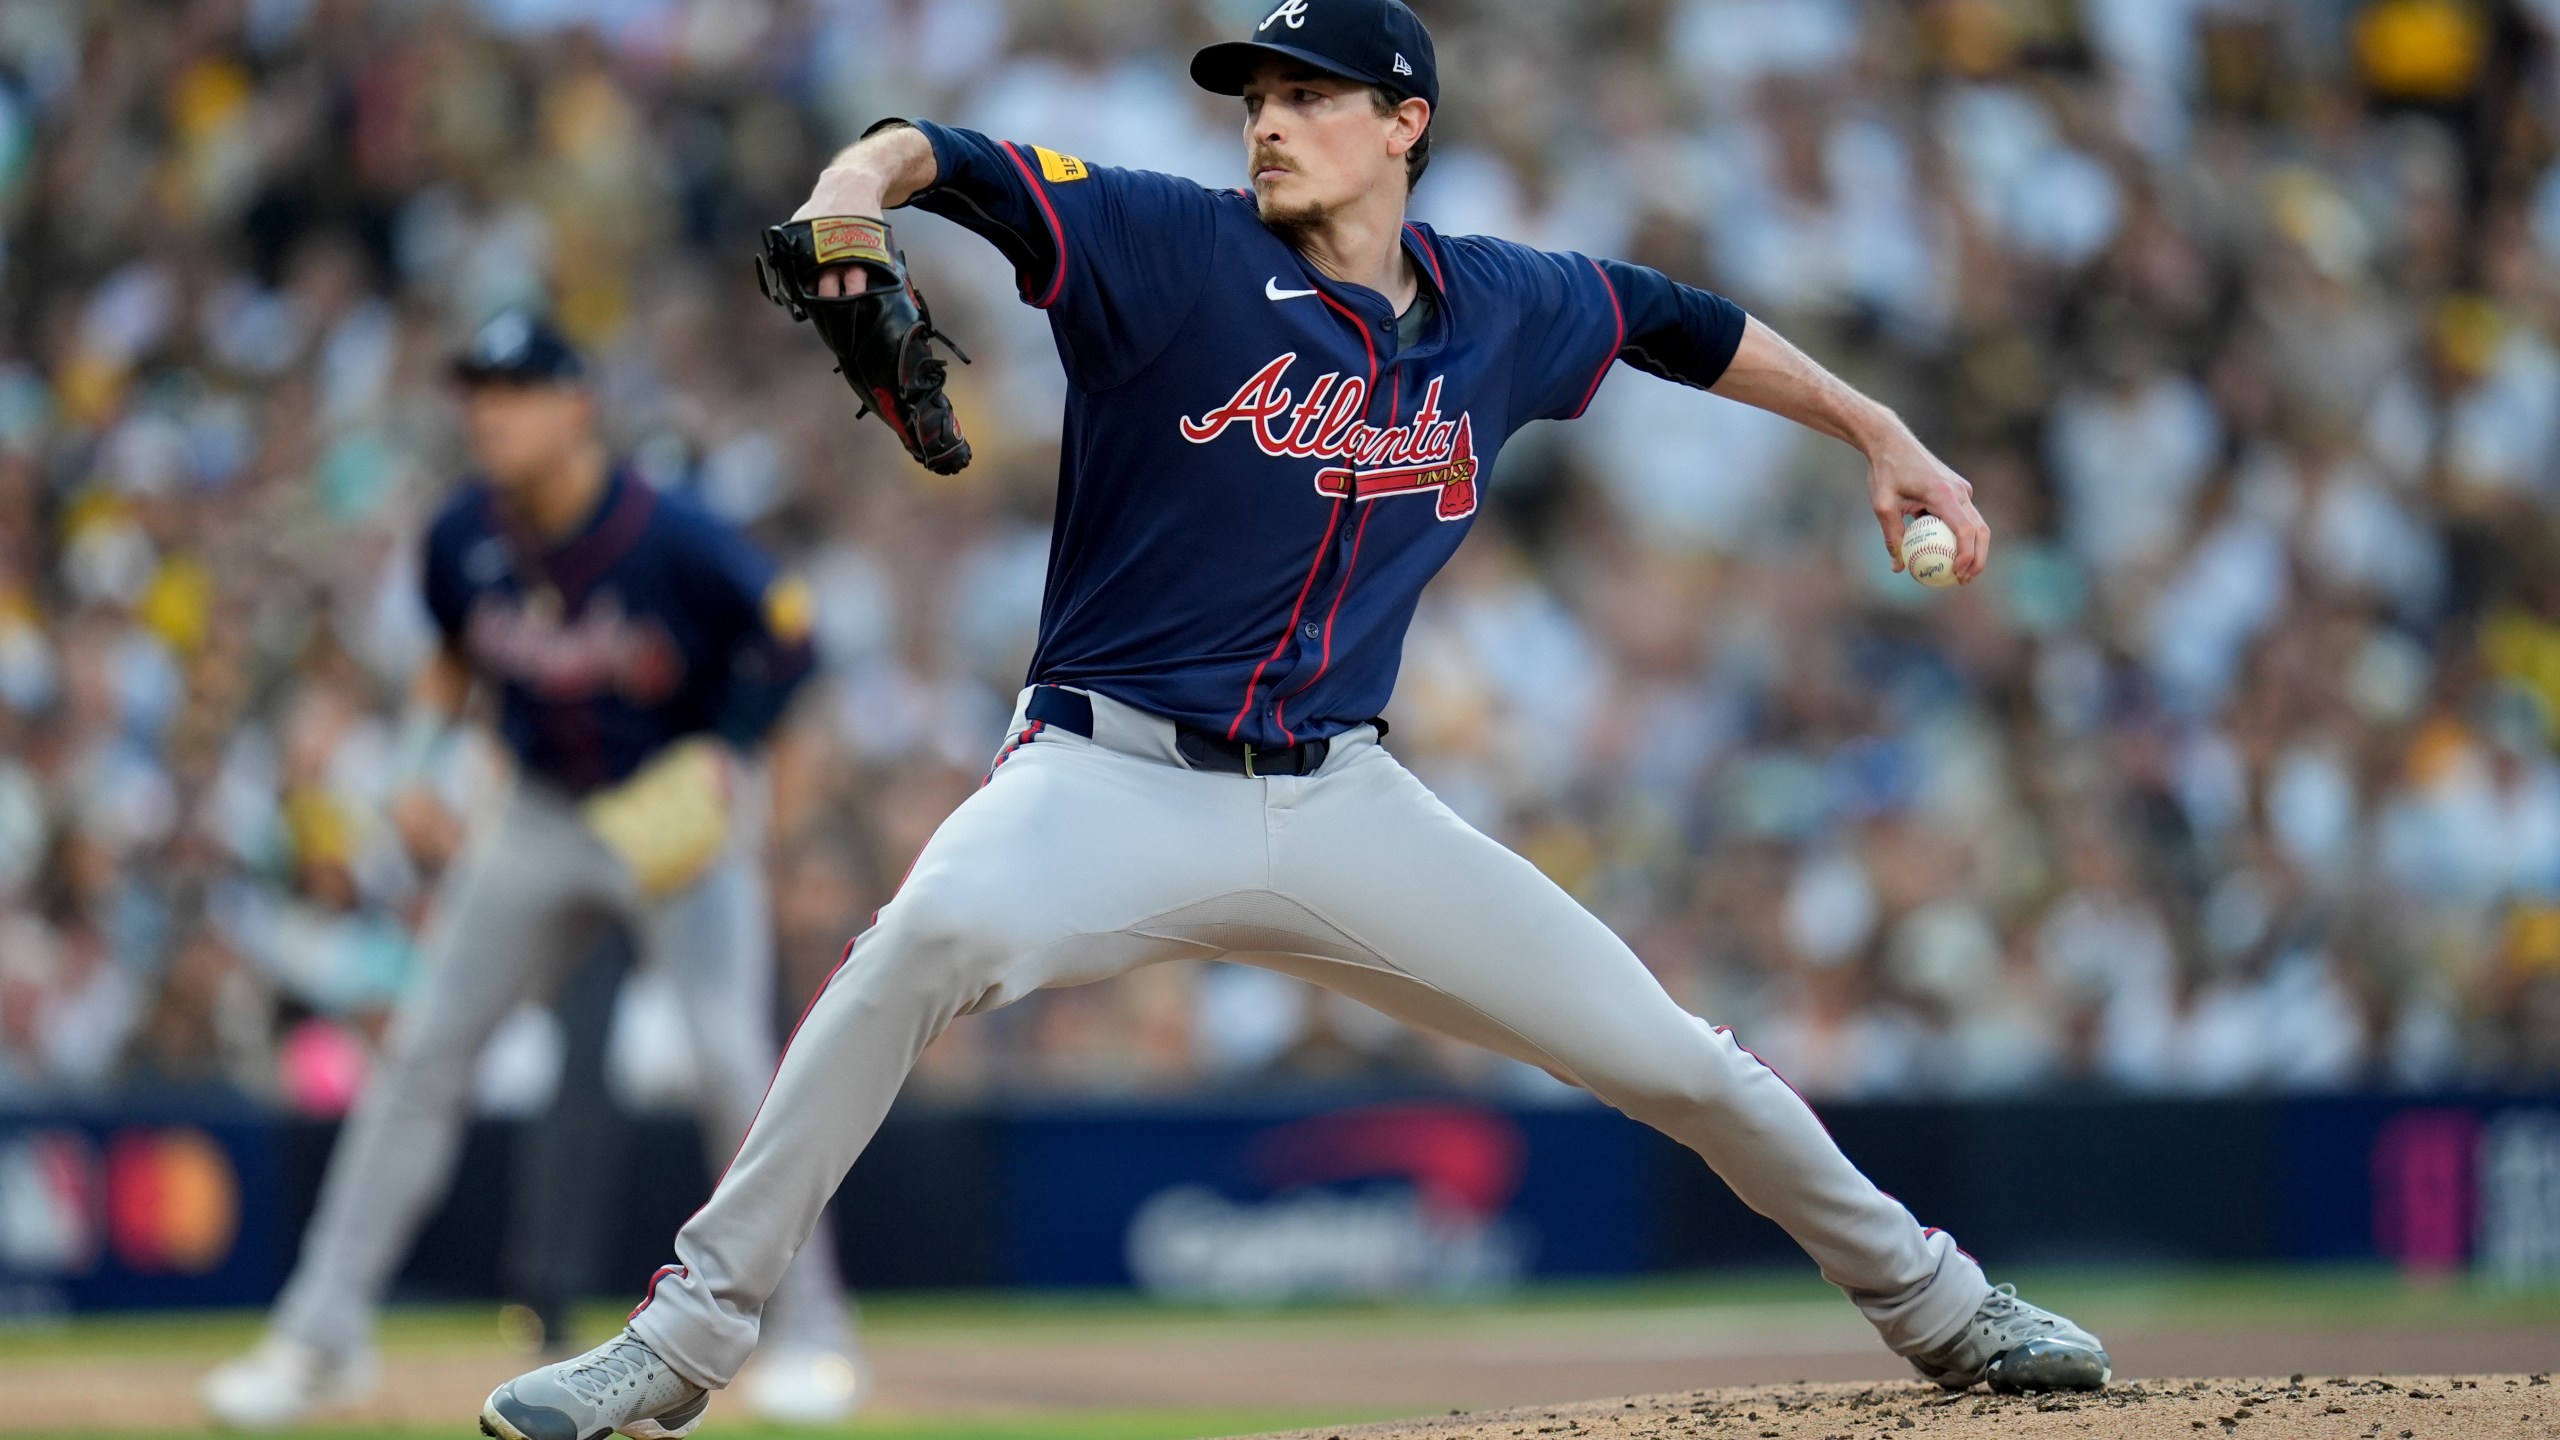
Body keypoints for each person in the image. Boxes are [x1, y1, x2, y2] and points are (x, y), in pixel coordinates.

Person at [485, 5, 2110, 1436]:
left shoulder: (1509, 306)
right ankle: (683, 1343)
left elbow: (1683, 323)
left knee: (1676, 1060)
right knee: (908, 948)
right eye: (1255, 93)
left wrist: (1877, 426)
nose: (1268, 117)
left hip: (1346, 805)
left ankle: (1945, 1311)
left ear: (1404, 123)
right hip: (1104, 780)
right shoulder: (1167, 245)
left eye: (1311, 91)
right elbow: (953, 156)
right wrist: (855, 186)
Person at [203, 312, 863, 1431]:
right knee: (420, 1056)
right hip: (541, 813)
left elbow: (793, 650)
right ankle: (318, 1336)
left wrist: (752, 806)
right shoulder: (463, 531)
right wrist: (415, 764)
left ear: (577, 406)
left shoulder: (674, 536)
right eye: (477, 389)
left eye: (515, 387)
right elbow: (456, 657)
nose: (489, 410)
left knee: (729, 1064)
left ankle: (812, 1332)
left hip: (672, 819)